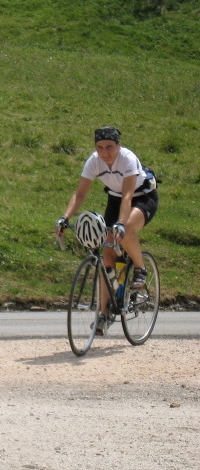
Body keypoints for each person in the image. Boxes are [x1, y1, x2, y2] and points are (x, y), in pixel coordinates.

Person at [55, 126, 159, 334]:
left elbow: (128, 196)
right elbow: (80, 194)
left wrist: (120, 223)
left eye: (109, 147)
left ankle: (140, 268)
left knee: (125, 230)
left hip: (142, 197)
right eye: (100, 147)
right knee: (107, 259)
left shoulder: (127, 159)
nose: (104, 153)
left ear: (118, 146)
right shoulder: (93, 161)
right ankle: (104, 314)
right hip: (115, 198)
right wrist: (65, 218)